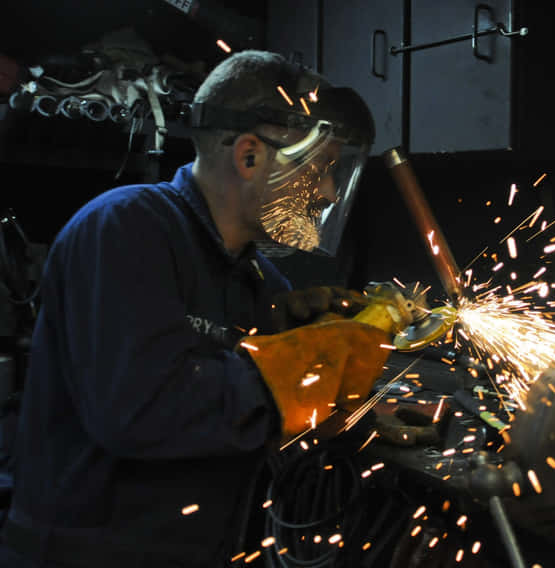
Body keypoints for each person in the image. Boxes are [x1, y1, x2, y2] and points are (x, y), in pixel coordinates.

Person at [0, 50, 377, 567]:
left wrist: (318, 357)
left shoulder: (261, 275)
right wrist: (290, 367)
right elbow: (138, 409)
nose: (330, 192)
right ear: (249, 155)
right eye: (321, 170)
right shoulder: (126, 228)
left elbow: (241, 385)